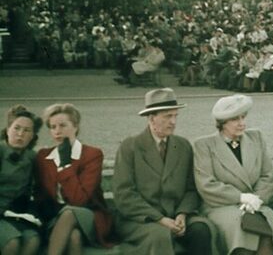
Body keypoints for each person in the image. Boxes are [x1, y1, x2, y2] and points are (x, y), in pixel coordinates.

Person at [112, 88, 214, 255]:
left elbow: (191, 189)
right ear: (152, 119)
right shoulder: (130, 147)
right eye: (168, 116)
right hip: (140, 219)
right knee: (160, 235)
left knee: (201, 230)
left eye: (175, 116)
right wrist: (160, 219)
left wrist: (182, 214)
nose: (173, 122)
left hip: (176, 216)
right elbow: (124, 194)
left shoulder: (183, 146)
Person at [193, 94, 273, 255]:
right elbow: (206, 184)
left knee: (270, 227)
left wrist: (256, 199)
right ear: (222, 123)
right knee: (242, 231)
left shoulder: (256, 137)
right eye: (235, 119)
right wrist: (241, 197)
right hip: (221, 206)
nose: (242, 123)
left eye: (243, 117)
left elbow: (267, 176)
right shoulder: (204, 145)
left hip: (256, 204)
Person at [34, 103, 114, 254]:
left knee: (70, 213)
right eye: (53, 127)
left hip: (89, 215)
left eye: (63, 125)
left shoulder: (92, 154)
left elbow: (79, 200)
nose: (57, 131)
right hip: (54, 219)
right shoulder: (44, 156)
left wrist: (64, 165)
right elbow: (40, 194)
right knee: (74, 236)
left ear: (76, 126)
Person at [0, 105, 42, 255]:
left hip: (15, 213)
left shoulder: (32, 157)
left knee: (33, 240)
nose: (20, 134)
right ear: (8, 130)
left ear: (32, 136)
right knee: (12, 242)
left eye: (26, 131)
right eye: (16, 128)